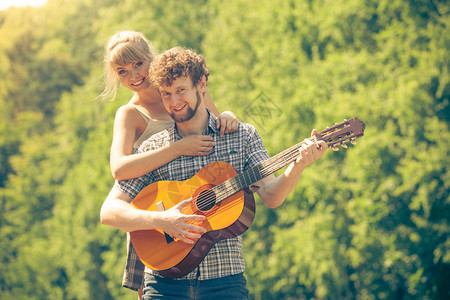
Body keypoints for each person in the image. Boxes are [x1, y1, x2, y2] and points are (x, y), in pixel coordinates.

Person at [100, 47, 328, 299]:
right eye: (166, 94)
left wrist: (298, 165)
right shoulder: (153, 149)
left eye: (180, 91)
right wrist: (161, 221)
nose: (174, 102)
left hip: (225, 282)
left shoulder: (241, 136)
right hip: (163, 286)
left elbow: (272, 196)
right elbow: (109, 212)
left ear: (202, 84)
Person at [102, 31, 239, 298]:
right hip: (157, 220)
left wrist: (229, 116)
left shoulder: (181, 90)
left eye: (138, 64)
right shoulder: (130, 114)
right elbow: (119, 168)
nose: (133, 76)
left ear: (150, 57)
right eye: (122, 71)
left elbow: (214, 123)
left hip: (197, 205)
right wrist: (177, 148)